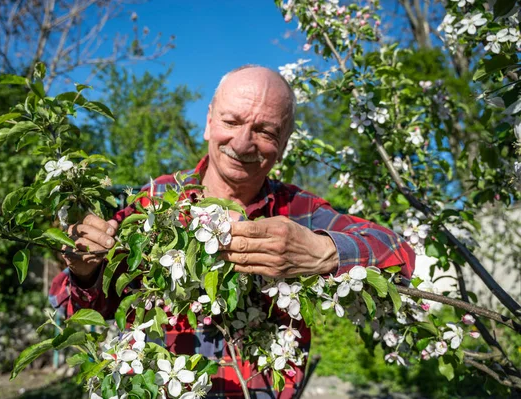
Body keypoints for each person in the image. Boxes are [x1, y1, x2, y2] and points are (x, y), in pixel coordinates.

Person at [49, 65, 415, 398]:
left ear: (285, 143)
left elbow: (400, 254)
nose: (242, 143)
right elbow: (77, 310)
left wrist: (324, 253)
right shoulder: (152, 203)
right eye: (232, 121)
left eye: (265, 131)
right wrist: (85, 270)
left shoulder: (298, 212)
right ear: (208, 121)